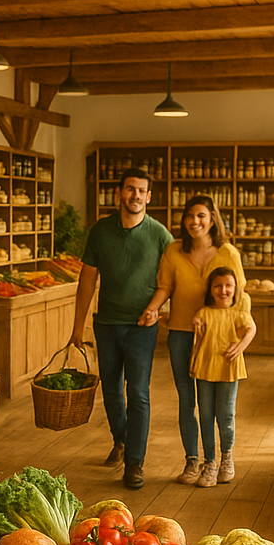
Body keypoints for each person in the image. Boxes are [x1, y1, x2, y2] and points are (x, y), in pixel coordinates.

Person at [70, 168, 173, 490]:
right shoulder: (101, 231)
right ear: (119, 193)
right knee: (112, 391)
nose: (135, 195)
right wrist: (77, 327)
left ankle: (134, 463)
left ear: (149, 196)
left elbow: (170, 280)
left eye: (141, 190)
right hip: (106, 324)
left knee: (138, 393)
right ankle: (121, 439)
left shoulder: (160, 235)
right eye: (130, 189)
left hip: (142, 327)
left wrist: (156, 309)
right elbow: (87, 281)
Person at [139, 195, 248, 484]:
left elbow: (240, 296)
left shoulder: (228, 253)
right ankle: (192, 461)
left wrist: (240, 337)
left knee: (215, 406)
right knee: (187, 399)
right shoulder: (174, 250)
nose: (195, 221)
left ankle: (223, 458)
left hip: (218, 340)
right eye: (189, 216)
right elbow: (165, 287)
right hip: (181, 334)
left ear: (212, 219)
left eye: (201, 216)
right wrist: (152, 309)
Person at [187, 267, 256, 487]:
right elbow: (197, 327)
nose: (223, 290)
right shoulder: (204, 312)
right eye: (218, 285)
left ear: (235, 289)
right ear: (210, 289)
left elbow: (251, 329)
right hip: (205, 368)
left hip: (228, 369)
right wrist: (196, 324)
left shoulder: (238, 313)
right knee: (206, 416)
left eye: (228, 286)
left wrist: (241, 347)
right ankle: (210, 463)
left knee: (226, 416)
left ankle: (227, 458)